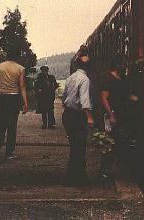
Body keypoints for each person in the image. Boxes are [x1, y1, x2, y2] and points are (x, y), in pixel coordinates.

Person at [98, 56, 138, 179]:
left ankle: (113, 168)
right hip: (110, 115)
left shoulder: (123, 78)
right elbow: (104, 97)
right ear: (117, 65)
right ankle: (105, 170)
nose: (125, 67)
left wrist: (133, 98)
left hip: (121, 114)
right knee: (108, 142)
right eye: (123, 64)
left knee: (118, 141)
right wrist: (110, 115)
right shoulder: (108, 78)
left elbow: (125, 94)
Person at [0, 49, 28, 162]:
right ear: (17, 56)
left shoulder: (0, 66)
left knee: (1, 125)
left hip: (1, 98)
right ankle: (9, 153)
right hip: (13, 98)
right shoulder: (20, 68)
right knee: (12, 126)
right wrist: (25, 102)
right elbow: (22, 86)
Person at [62, 47, 94, 186]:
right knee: (80, 147)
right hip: (78, 115)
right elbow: (84, 100)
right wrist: (89, 117)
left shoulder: (70, 78)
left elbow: (64, 97)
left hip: (68, 114)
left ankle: (71, 177)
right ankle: (80, 178)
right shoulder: (85, 80)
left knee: (74, 147)